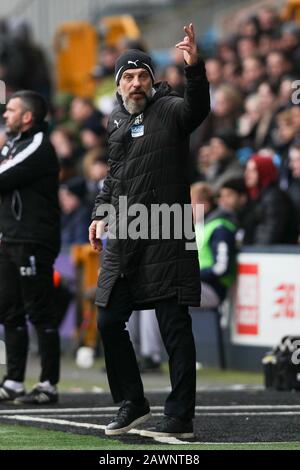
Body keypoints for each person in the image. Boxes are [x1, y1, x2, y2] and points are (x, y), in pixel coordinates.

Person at [89, 23, 210, 438]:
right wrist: (99, 211)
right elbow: (114, 175)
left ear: (153, 80)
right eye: (128, 77)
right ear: (119, 85)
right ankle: (133, 402)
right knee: (107, 320)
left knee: (173, 325)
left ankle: (180, 415)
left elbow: (197, 110)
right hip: (125, 232)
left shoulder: (171, 107)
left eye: (142, 75)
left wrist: (194, 70)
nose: (136, 83)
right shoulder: (117, 120)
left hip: (168, 229)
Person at [0, 90, 61, 404]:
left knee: (40, 312)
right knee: (9, 311)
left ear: (28, 117)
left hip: (34, 239)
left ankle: (48, 384)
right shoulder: (12, 143)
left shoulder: (38, 145)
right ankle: (13, 381)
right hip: (10, 239)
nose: (5, 115)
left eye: (11, 111)